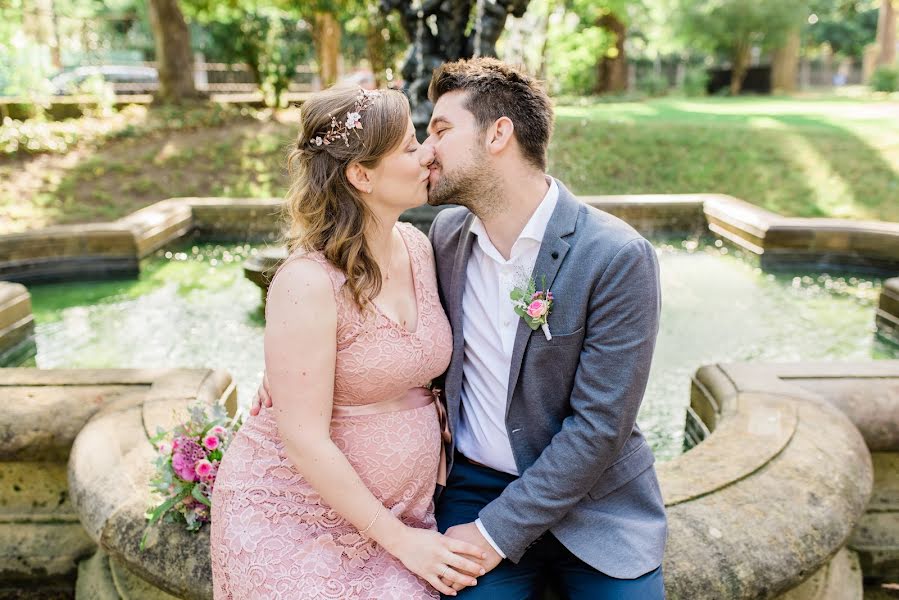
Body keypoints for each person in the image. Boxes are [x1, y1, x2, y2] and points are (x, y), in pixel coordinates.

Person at [253, 57, 667, 599]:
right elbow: (369, 323)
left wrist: (496, 534)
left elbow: (600, 428)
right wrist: (288, 375)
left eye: (441, 131)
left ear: (499, 134)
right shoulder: (445, 238)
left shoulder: (616, 256)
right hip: (477, 487)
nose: (428, 151)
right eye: (418, 139)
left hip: (598, 507)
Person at [210, 84, 487, 600]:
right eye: (408, 146)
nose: (428, 152)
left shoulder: (418, 246)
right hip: (295, 516)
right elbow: (304, 439)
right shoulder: (307, 282)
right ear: (361, 175)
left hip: (404, 511)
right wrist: (403, 542)